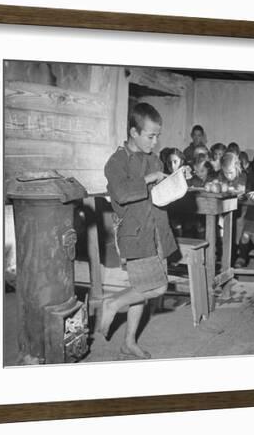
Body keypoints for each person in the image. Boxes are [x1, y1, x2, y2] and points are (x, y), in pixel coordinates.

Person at [101, 102, 178, 359]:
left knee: (142, 290)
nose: (155, 142)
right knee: (156, 288)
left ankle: (129, 342)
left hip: (157, 231)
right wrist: (149, 178)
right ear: (134, 132)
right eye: (150, 136)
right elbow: (122, 193)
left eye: (158, 136)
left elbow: (157, 192)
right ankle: (112, 303)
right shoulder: (116, 161)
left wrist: (175, 180)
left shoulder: (153, 158)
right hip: (136, 234)